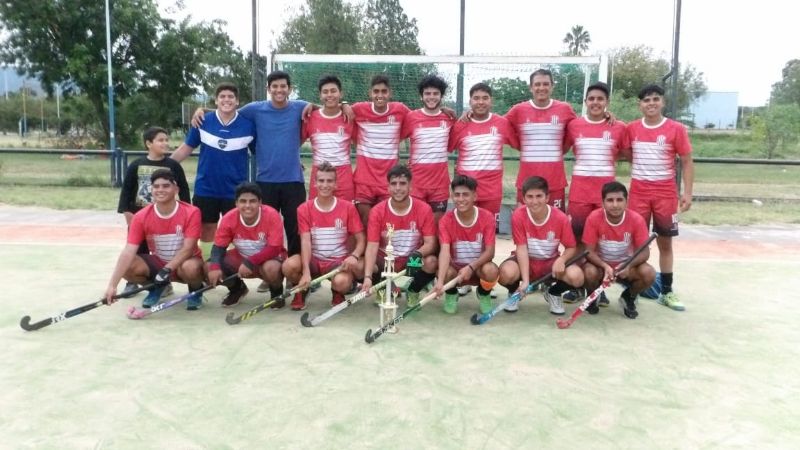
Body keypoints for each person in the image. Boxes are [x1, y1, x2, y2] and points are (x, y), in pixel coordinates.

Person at [624, 84, 694, 311]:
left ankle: (666, 291)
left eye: (655, 99)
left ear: (662, 102)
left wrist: (687, 192)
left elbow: (686, 161)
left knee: (665, 243)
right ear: (640, 105)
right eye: (646, 100)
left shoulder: (676, 129)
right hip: (638, 194)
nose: (651, 103)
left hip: (665, 194)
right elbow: (626, 153)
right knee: (637, 244)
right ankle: (634, 288)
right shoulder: (632, 128)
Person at [171, 82, 256, 259]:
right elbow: (186, 148)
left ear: (237, 101)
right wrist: (164, 165)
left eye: (231, 97)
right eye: (222, 97)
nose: (226, 100)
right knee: (207, 228)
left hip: (235, 190)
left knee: (237, 230)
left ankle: (233, 268)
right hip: (206, 187)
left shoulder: (248, 125)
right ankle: (208, 264)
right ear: (216, 101)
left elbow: (262, 153)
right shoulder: (202, 121)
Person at [561, 81, 628, 306]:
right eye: (592, 99)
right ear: (585, 102)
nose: (596, 102)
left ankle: (599, 287)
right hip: (580, 192)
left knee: (600, 242)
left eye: (600, 99)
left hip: (605, 194)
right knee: (577, 239)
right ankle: (577, 286)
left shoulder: (619, 127)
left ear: (607, 102)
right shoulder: (574, 125)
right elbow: (563, 147)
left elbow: (625, 152)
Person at [104, 169, 205, 310]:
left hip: (185, 263)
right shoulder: (140, 217)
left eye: (166, 186)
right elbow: (129, 251)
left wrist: (166, 270)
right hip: (159, 263)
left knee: (191, 268)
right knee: (129, 265)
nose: (160, 190)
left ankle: (195, 291)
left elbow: (188, 249)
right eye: (156, 186)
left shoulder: (192, 212)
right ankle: (156, 289)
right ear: (151, 190)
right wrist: (112, 286)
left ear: (176, 189)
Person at [282, 162, 366, 310]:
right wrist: (306, 272)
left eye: (329, 181)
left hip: (338, 262)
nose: (325, 185)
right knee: (289, 266)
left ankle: (337, 292)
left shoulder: (348, 207)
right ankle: (303, 289)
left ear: (336, 184)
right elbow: (305, 242)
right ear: (315, 183)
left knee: (342, 283)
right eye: (321, 180)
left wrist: (354, 255)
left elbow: (361, 239)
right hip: (314, 260)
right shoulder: (304, 209)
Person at [117, 126, 191, 295]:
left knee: (166, 250)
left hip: (166, 217)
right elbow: (127, 190)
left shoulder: (173, 165)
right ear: (148, 143)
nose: (165, 143)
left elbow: (184, 190)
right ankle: (133, 282)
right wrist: (126, 211)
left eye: (166, 140)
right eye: (160, 140)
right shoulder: (136, 164)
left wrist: (187, 212)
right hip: (140, 216)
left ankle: (166, 281)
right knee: (137, 249)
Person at [497, 176, 584, 315]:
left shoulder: (560, 218)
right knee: (505, 273)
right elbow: (521, 249)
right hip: (526, 261)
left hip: (550, 263)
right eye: (530, 197)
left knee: (577, 277)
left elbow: (571, 247)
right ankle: (514, 293)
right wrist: (525, 281)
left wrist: (561, 260)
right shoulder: (518, 216)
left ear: (547, 197)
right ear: (524, 199)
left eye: (539, 196)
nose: (534, 201)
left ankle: (553, 293)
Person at [361, 165, 438, 307]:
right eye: (393, 183)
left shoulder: (424, 209)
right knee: (368, 263)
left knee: (432, 262)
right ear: (388, 187)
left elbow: (430, 243)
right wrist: (367, 277)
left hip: (410, 261)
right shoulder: (377, 211)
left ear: (410, 186)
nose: (398, 188)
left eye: (402, 183)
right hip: (386, 261)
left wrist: (417, 253)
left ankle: (413, 290)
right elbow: (372, 247)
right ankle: (383, 288)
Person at [505, 69, 578, 212]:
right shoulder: (518, 110)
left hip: (555, 182)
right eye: (537, 84)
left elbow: (580, 127)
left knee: (556, 221)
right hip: (526, 181)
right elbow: (499, 126)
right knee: (524, 220)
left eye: (546, 84)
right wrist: (471, 115)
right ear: (531, 87)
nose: (541, 88)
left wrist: (605, 116)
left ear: (552, 86)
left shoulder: (565, 109)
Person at [581, 181, 656, 319]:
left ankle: (628, 297)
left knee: (649, 273)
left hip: (626, 268)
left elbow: (645, 252)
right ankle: (593, 295)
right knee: (588, 272)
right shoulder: (593, 218)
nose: (615, 205)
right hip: (601, 268)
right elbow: (588, 251)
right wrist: (605, 266)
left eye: (619, 200)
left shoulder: (637, 220)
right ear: (603, 202)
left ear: (627, 201)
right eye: (610, 200)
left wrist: (628, 265)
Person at [206, 183, 286, 307]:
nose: (247, 206)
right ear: (236, 203)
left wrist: (250, 262)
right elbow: (218, 248)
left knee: (271, 268)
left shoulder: (272, 215)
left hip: (269, 259)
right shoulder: (228, 218)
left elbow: (274, 248)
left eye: (252, 201)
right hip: (242, 257)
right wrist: (215, 267)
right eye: (243, 201)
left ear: (260, 202)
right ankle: (237, 289)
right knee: (209, 266)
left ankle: (277, 293)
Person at [448, 82, 519, 218]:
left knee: (490, 228)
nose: (480, 102)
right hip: (466, 190)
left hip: (492, 192)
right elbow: (448, 146)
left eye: (485, 98)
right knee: (466, 227)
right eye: (476, 98)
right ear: (470, 101)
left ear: (491, 101)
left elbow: (518, 144)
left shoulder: (502, 123)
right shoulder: (461, 125)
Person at [433, 174, 499, 315]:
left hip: (478, 268)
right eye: (457, 195)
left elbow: (490, 252)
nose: (461, 199)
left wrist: (471, 267)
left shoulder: (487, 217)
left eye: (465, 195)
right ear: (452, 196)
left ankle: (483, 293)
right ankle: (451, 294)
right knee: (442, 272)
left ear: (474, 196)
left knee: (491, 270)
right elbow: (444, 251)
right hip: (456, 271)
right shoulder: (445, 220)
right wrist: (440, 282)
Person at [351, 75, 412, 225]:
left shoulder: (400, 110)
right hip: (364, 180)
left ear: (390, 93)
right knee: (366, 223)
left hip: (389, 180)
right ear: (370, 93)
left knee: (387, 226)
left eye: (384, 91)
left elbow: (420, 117)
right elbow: (333, 109)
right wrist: (344, 104)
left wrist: (442, 109)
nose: (380, 95)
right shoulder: (359, 109)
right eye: (376, 91)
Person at [400, 75, 454, 223]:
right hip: (416, 183)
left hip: (440, 184)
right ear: (421, 96)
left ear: (441, 96)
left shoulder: (449, 118)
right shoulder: (411, 117)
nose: (431, 97)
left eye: (435, 93)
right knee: (416, 226)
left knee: (435, 227)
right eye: (427, 93)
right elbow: (394, 139)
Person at [302, 74, 356, 201]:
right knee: (317, 212)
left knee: (345, 212)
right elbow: (296, 143)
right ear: (320, 95)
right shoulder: (310, 117)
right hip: (319, 178)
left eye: (333, 91)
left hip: (343, 179)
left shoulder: (350, 117)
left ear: (341, 93)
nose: (329, 95)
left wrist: (344, 104)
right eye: (325, 92)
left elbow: (360, 143)